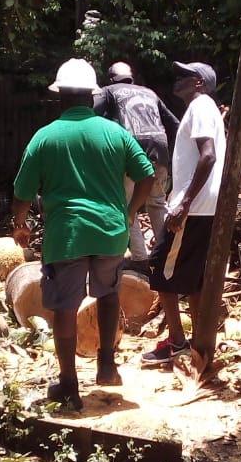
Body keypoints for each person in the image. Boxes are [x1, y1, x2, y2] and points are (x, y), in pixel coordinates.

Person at [12, 57, 154, 410]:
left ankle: (69, 386)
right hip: (110, 231)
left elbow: (23, 193)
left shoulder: (44, 137)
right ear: (91, 97)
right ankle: (107, 364)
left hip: (67, 235)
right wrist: (131, 210)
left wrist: (20, 223)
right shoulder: (115, 133)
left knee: (64, 306)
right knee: (107, 294)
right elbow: (148, 175)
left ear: (60, 97)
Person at [142, 61, 226, 366]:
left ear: (200, 83)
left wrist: (184, 203)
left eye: (185, 76)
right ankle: (200, 346)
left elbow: (209, 155)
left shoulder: (201, 106)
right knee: (194, 279)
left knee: (158, 268)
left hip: (196, 207)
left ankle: (178, 342)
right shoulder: (204, 107)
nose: (177, 79)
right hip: (204, 206)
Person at [94, 61, 179, 273]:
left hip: (130, 152)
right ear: (132, 77)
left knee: (125, 205)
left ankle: (140, 259)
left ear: (111, 78)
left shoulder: (108, 91)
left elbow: (91, 116)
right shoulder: (150, 93)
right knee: (157, 203)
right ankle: (164, 256)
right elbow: (175, 124)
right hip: (160, 150)